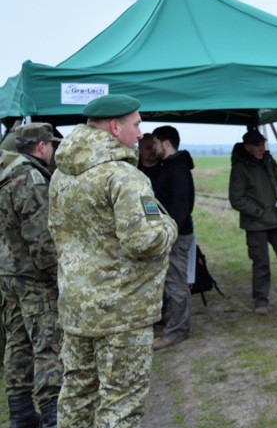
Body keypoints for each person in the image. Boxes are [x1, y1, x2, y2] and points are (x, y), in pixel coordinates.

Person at [48, 94, 177, 427]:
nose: (140, 134)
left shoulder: (62, 174)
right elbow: (144, 241)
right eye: (136, 125)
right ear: (115, 126)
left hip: (77, 305)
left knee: (77, 396)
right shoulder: (124, 177)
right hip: (122, 312)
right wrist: (169, 228)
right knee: (120, 405)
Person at [0, 123, 64, 428]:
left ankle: (22, 414)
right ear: (41, 146)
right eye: (50, 144)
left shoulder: (7, 173)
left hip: (9, 274)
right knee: (48, 345)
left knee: (18, 343)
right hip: (34, 278)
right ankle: (52, 418)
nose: (52, 150)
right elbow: (41, 239)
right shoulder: (32, 178)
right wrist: (58, 278)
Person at [228, 128, 277, 315]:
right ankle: (261, 302)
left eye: (263, 144)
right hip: (256, 225)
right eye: (257, 145)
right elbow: (236, 198)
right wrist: (259, 212)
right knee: (261, 263)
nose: (262, 148)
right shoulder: (240, 168)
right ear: (247, 147)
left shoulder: (269, 161)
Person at [150, 125, 195, 350]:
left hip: (176, 235)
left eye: (155, 143)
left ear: (166, 143)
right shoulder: (168, 166)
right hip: (170, 234)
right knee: (171, 282)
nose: (152, 148)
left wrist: (170, 237)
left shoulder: (177, 169)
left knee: (176, 283)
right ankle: (172, 322)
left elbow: (181, 207)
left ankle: (177, 331)